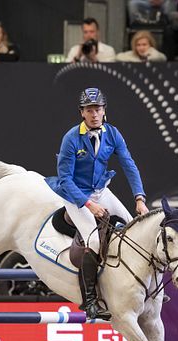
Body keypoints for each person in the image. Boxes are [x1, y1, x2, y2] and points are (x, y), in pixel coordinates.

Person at [45, 88, 148, 320]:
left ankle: (142, 286)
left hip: (101, 191)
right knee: (92, 240)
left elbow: (129, 165)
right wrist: (88, 205)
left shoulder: (112, 133)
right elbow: (65, 180)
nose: (94, 114)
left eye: (98, 109)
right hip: (76, 195)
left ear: (104, 111)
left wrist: (139, 199)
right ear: (82, 113)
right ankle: (90, 301)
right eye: (89, 110)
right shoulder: (71, 138)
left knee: (132, 226)